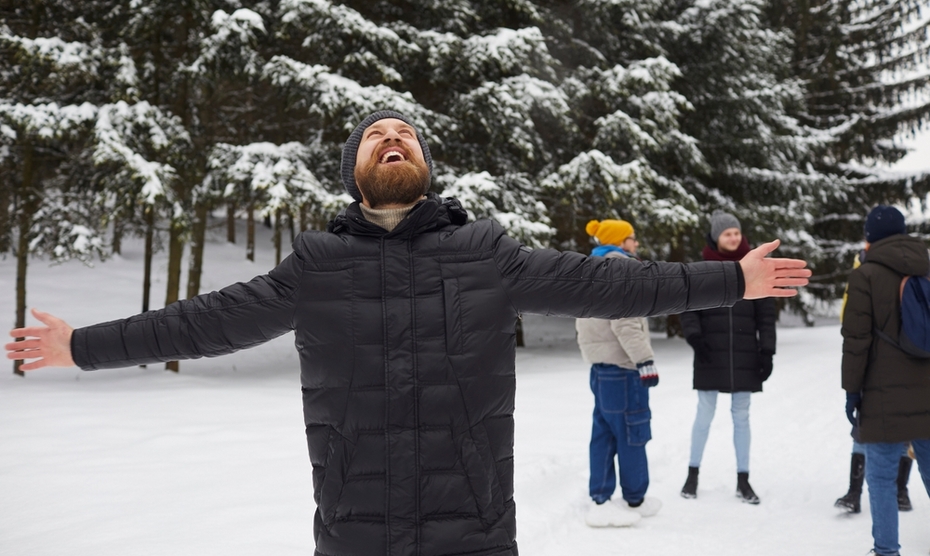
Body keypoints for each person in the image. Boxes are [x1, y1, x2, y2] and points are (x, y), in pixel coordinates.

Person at [5, 110, 811, 556]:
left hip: (478, 536)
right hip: (354, 535)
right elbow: (202, 322)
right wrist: (82, 345)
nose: (392, 141)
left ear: (426, 164)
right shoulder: (315, 266)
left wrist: (729, 281)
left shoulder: (484, 253)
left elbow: (609, 282)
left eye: (408, 136)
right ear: (354, 169)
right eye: (374, 137)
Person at [841, 205, 930, 556]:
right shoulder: (927, 267)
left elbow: (856, 340)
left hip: (882, 394)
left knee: (880, 478)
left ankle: (886, 550)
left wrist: (851, 391)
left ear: (869, 236)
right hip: (927, 390)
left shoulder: (865, 275)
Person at [679, 211, 777, 504]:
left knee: (742, 417)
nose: (734, 238)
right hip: (710, 353)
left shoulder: (755, 267)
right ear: (716, 237)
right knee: (704, 415)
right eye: (727, 233)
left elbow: (766, 314)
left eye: (736, 232)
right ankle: (692, 474)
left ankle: (743, 480)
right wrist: (695, 338)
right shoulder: (703, 268)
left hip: (746, 355)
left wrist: (767, 351)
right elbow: (688, 307)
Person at [575, 219, 661, 528]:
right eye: (632, 238)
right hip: (623, 369)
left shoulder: (592, 268)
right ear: (620, 241)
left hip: (601, 369)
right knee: (632, 432)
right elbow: (625, 323)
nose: (636, 243)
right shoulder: (621, 270)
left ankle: (600, 497)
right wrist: (645, 360)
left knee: (604, 433)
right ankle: (633, 498)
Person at [834, 247, 914, 515]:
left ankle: (898, 491)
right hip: (888, 361)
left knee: (897, 427)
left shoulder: (907, 266)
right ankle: (857, 492)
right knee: (870, 425)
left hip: (895, 359)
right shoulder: (911, 263)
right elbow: (849, 316)